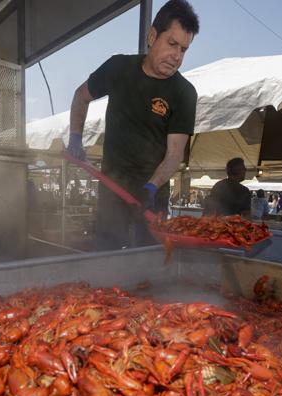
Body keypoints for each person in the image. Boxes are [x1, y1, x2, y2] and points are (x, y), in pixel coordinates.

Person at [67, 0, 199, 250]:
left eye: (183, 49)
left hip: (152, 192)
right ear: (152, 36)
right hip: (112, 186)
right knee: (107, 252)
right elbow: (80, 96)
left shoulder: (184, 93)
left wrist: (151, 186)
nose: (177, 56)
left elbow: (174, 153)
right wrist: (75, 137)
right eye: (172, 44)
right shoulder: (119, 68)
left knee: (148, 256)